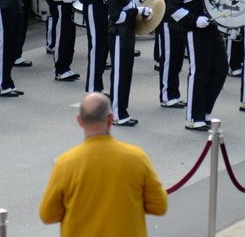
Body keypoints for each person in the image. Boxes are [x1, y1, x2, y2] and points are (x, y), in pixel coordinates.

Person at [38, 92, 167, 237]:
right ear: (110, 119)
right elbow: (159, 206)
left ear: (80, 121)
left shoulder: (65, 163)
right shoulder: (136, 157)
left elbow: (47, 215)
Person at [167, 0, 228, 130]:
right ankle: (193, 117)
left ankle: (205, 110)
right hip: (195, 31)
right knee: (198, 72)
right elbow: (173, 9)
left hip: (210, 27)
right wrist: (195, 20)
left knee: (220, 68)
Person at [104, 0, 150, 126]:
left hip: (127, 36)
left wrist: (138, 11)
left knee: (126, 75)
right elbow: (116, 17)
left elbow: (127, 12)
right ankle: (116, 113)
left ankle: (122, 110)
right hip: (117, 37)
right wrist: (135, 12)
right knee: (119, 76)